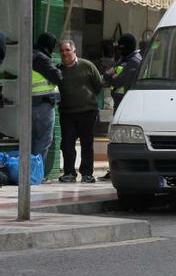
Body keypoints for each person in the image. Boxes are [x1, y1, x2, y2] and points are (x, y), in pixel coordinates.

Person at [57, 40, 103, 184]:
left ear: (74, 51)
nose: (65, 53)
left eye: (67, 50)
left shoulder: (87, 66)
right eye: (62, 51)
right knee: (67, 144)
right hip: (67, 113)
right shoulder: (58, 69)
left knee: (87, 144)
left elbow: (98, 86)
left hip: (87, 112)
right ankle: (69, 173)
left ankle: (87, 174)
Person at [101, 33, 142, 181]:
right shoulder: (124, 60)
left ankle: (121, 167)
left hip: (128, 106)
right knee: (116, 137)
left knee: (123, 139)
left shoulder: (134, 62)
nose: (119, 50)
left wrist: (111, 77)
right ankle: (114, 167)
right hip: (119, 104)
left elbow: (117, 81)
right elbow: (108, 77)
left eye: (121, 47)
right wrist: (110, 77)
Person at [32, 32, 62, 169]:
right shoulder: (41, 58)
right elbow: (57, 77)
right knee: (43, 140)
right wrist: (59, 70)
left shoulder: (29, 55)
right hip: (43, 105)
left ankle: (28, 172)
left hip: (30, 105)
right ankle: (36, 172)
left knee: (32, 140)